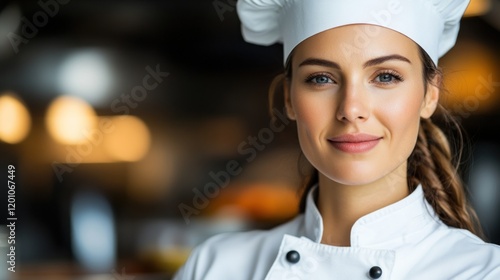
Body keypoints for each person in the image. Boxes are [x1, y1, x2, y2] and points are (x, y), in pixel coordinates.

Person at [173, 0, 500, 279]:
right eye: (321, 78)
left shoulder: (482, 271)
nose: (351, 109)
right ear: (289, 97)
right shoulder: (216, 267)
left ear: (430, 93)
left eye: (385, 76)